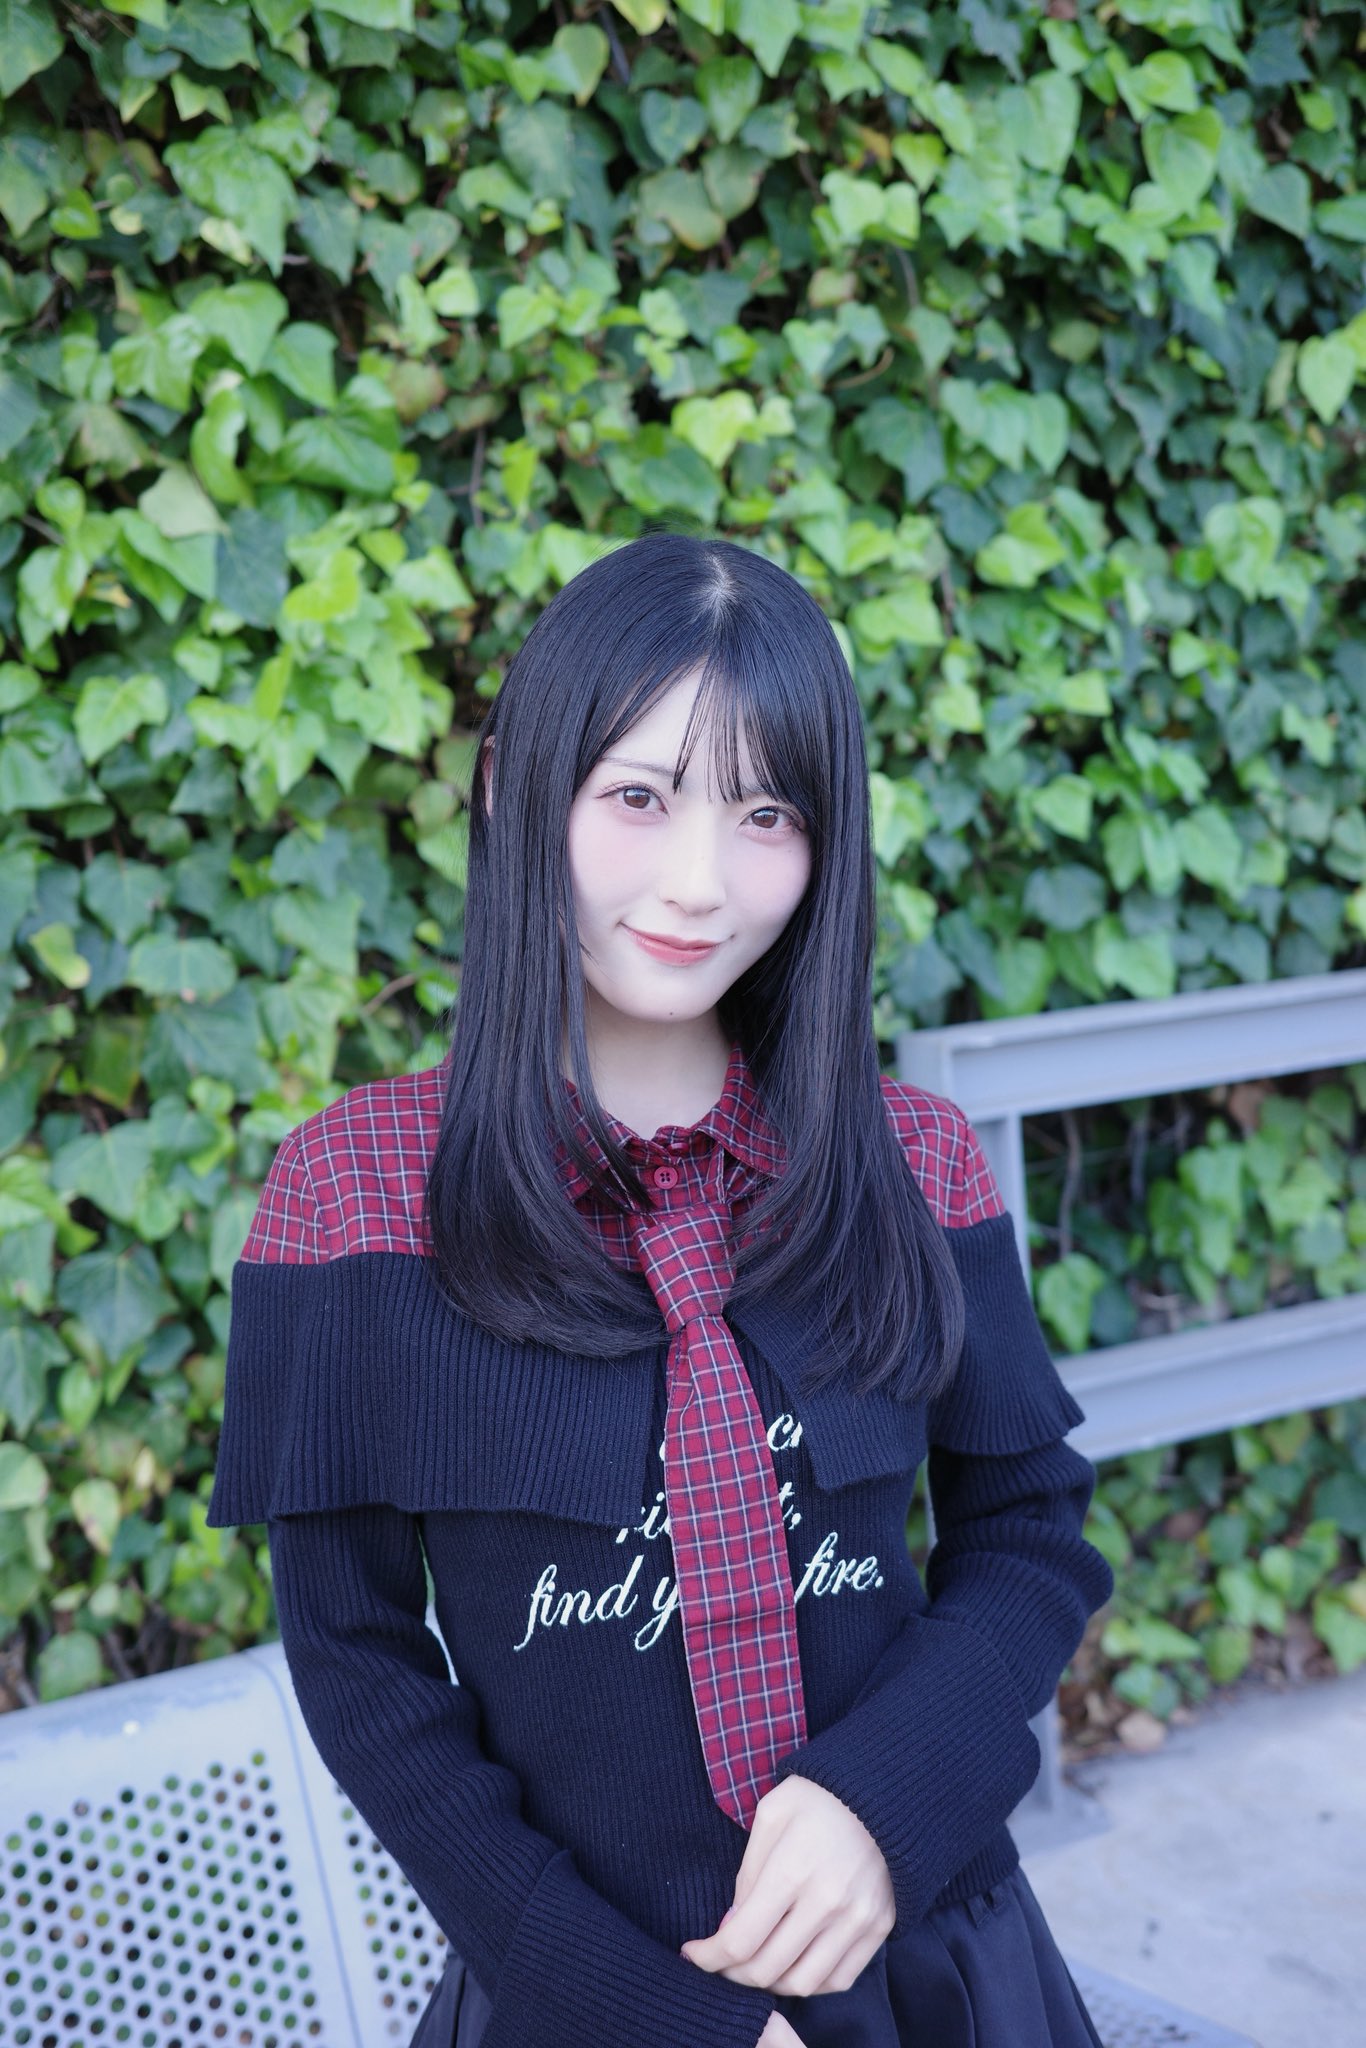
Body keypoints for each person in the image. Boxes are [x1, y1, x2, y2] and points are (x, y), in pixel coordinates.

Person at [206, 529, 1116, 2048]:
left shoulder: (912, 1161)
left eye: (766, 813)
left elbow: (1029, 1529)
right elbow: (359, 1663)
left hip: (932, 1971)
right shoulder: (353, 1194)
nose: (699, 882)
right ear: (512, 789)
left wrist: (883, 1801)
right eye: (638, 797)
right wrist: (650, 2015)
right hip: (583, 1998)